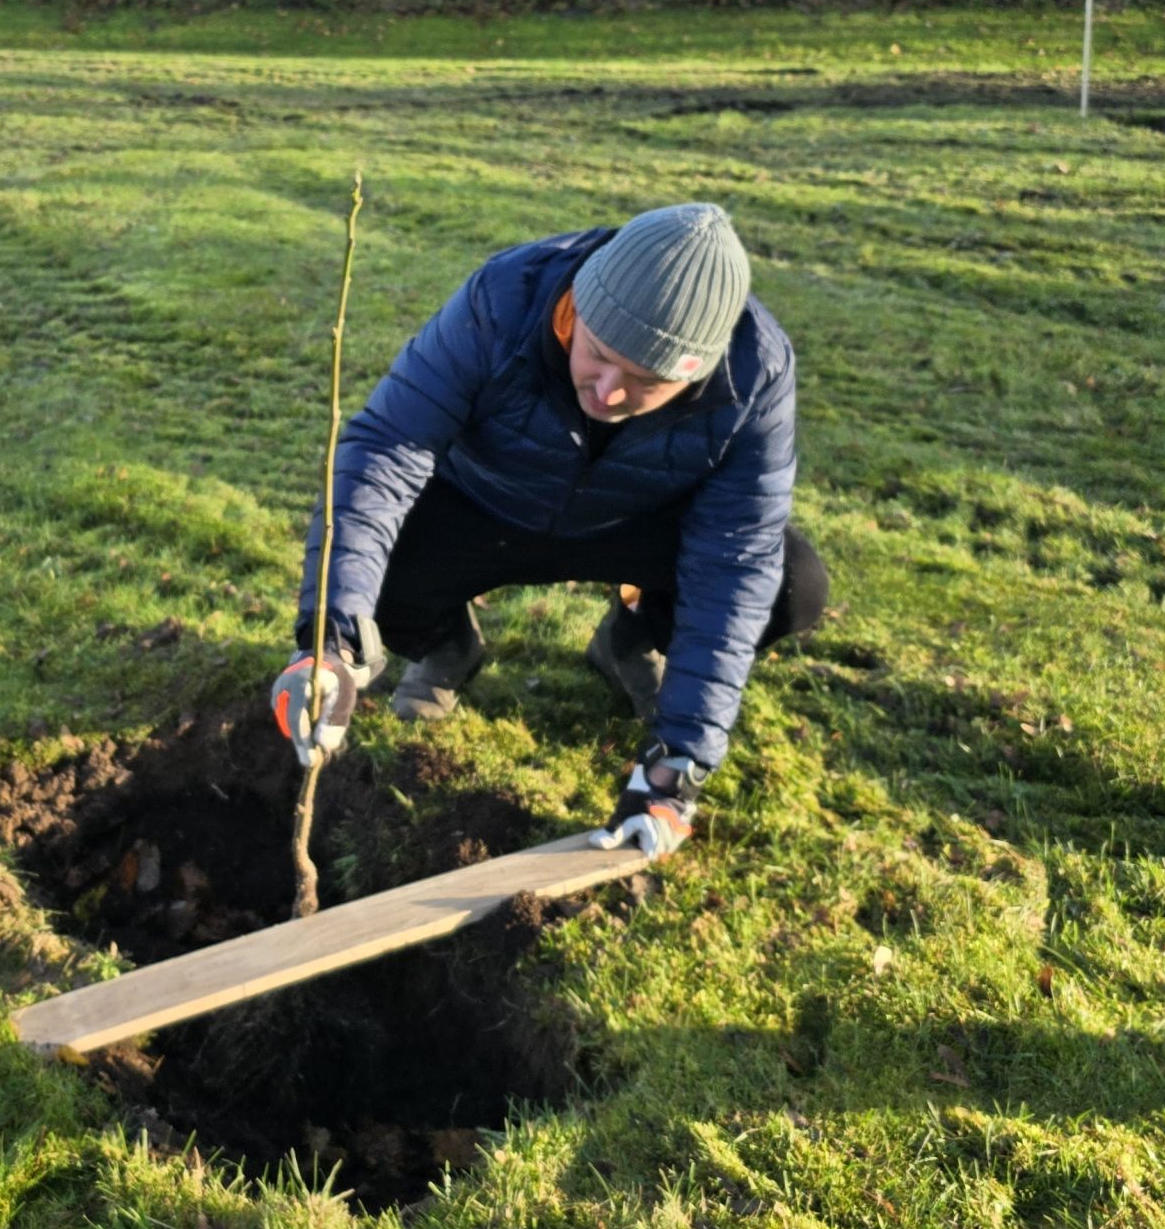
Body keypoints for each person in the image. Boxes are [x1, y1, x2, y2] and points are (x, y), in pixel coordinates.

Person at [270, 202, 826, 857]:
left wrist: (678, 764)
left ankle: (631, 636)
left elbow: (735, 559)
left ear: (696, 372)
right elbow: (387, 449)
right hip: (485, 502)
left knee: (790, 585)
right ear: (577, 305)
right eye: (599, 355)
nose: (608, 393)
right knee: (379, 573)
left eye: (645, 381)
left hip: (632, 521)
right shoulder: (505, 299)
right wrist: (331, 643)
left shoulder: (753, 375)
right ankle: (445, 646)